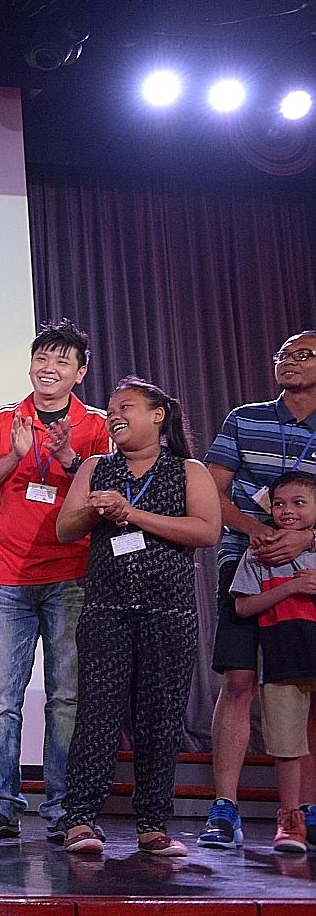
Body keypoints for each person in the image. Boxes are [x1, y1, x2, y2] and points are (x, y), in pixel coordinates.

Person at [54, 377, 219, 857]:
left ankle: (152, 823)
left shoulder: (187, 470)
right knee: (97, 714)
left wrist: (133, 514)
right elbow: (65, 528)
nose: (114, 416)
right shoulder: (96, 467)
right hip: (106, 609)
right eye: (110, 410)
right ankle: (81, 821)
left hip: (169, 612)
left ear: (157, 415)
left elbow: (207, 531)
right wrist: (93, 510)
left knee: (160, 717)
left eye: (126, 406)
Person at [0, 318, 110, 840]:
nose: (48, 369)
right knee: (0, 696)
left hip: (73, 574)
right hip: (6, 577)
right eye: (42, 358)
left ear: (80, 372)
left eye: (61, 361)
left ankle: (64, 807)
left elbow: (108, 497)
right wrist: (16, 456)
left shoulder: (97, 424)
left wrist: (69, 457)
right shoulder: (2, 419)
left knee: (67, 696)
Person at [200, 330, 316, 849]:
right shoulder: (245, 417)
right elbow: (209, 486)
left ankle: (303, 810)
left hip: (311, 568)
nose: (290, 362)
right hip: (246, 560)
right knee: (241, 678)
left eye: (303, 355)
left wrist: (306, 536)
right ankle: (225, 806)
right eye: (283, 355)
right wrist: (255, 531)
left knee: (307, 684)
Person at [229, 471, 316, 854]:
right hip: (281, 663)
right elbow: (244, 606)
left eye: (299, 503)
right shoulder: (258, 554)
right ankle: (290, 818)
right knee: (287, 745)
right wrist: (292, 586)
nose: (288, 511)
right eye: (279, 503)